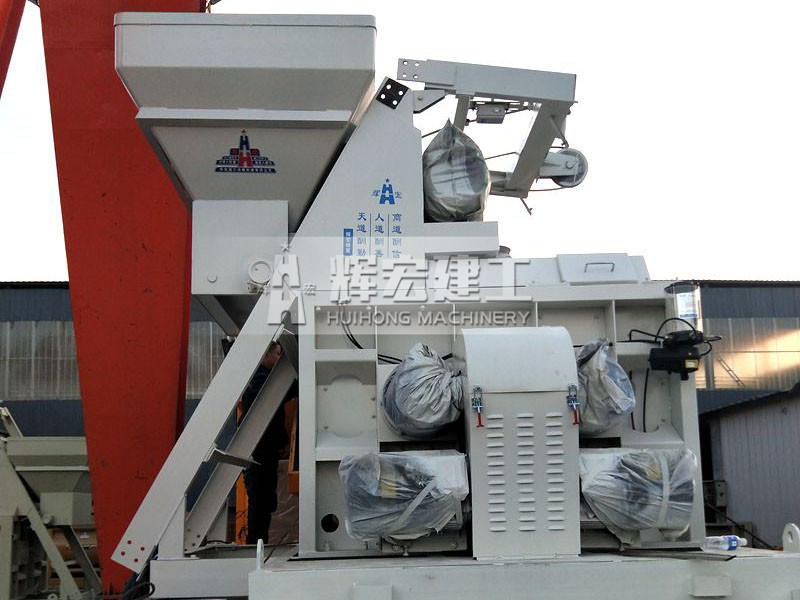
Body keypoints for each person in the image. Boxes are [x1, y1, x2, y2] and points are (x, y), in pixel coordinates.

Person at [240, 342, 293, 545]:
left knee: (263, 503)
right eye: (278, 354)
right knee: (261, 502)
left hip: (263, 453)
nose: (279, 360)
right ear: (266, 354)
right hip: (259, 455)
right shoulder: (261, 382)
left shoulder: (262, 382)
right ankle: (256, 544)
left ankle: (258, 542)